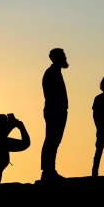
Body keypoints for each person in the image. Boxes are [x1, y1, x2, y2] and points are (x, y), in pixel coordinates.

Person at [41, 48, 69, 182]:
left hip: (58, 111)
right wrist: (58, 109)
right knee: (51, 141)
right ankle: (48, 172)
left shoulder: (55, 72)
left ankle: (49, 170)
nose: (65, 58)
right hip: (55, 111)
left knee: (53, 141)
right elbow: (52, 96)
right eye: (63, 56)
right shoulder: (51, 73)